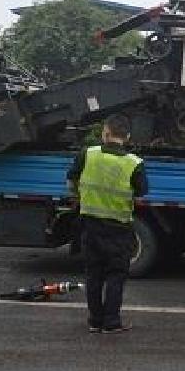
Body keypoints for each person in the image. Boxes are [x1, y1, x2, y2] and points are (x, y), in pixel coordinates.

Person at [68, 114, 148, 333]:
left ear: (105, 132)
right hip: (119, 228)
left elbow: (71, 178)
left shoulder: (88, 154)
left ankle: (95, 320)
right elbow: (141, 192)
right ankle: (111, 322)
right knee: (116, 275)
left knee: (93, 274)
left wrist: (79, 198)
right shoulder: (134, 164)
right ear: (128, 136)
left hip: (91, 224)